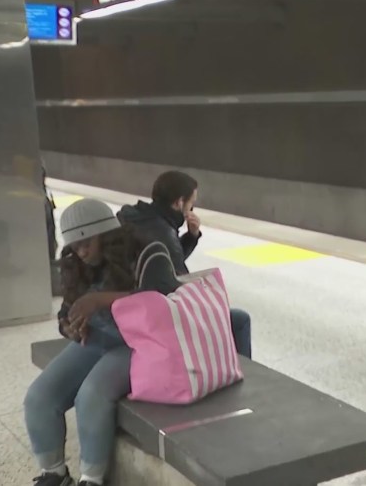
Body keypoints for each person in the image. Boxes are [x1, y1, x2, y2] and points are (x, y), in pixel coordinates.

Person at [25, 198, 181, 486]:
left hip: (139, 343)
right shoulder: (77, 264)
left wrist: (99, 300)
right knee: (39, 397)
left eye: (88, 242)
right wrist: (69, 327)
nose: (81, 252)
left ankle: (91, 478)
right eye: (75, 245)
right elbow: (66, 311)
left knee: (91, 396)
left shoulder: (149, 251)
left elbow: (164, 301)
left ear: (108, 235)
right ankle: (54, 473)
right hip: (96, 340)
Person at [117, 171, 253, 358]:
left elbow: (164, 262)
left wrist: (191, 236)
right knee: (240, 320)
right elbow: (176, 283)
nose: (191, 210)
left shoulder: (136, 218)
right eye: (191, 204)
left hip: (134, 308)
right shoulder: (164, 233)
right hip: (159, 319)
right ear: (179, 203)